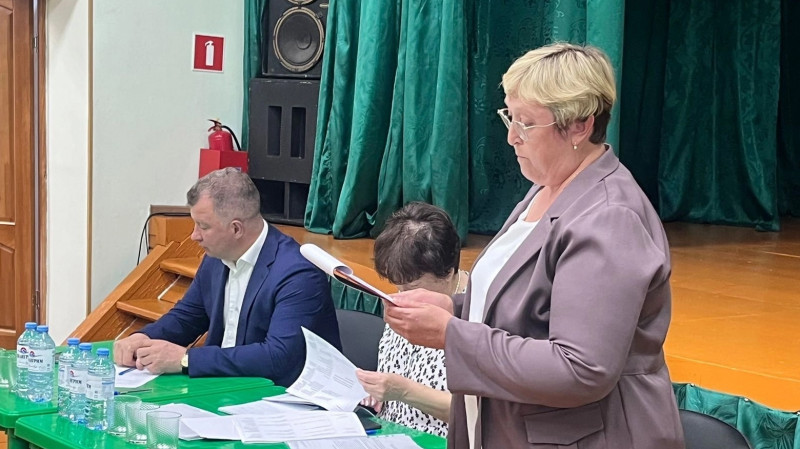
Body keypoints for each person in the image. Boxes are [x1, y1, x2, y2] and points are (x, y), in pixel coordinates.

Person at [383, 43, 684, 449]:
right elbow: (532, 307)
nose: (511, 137)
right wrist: (455, 308)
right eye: (509, 116)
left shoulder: (609, 217)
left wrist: (453, 336)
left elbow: (580, 369)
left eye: (526, 123)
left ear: (579, 126)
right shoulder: (548, 188)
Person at [113, 168, 341, 387]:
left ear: (236, 229)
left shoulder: (298, 273)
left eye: (203, 226)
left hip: (279, 395)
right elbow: (188, 317)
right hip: (223, 386)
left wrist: (187, 359)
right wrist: (143, 337)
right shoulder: (216, 257)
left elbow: (277, 357)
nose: (194, 236)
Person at [356, 202, 467, 438]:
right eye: (397, 286)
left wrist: (404, 392)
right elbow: (393, 379)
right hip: (388, 437)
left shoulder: (479, 315)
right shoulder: (400, 300)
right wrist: (378, 391)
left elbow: (479, 412)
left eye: (413, 287)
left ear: (448, 272)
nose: (401, 297)